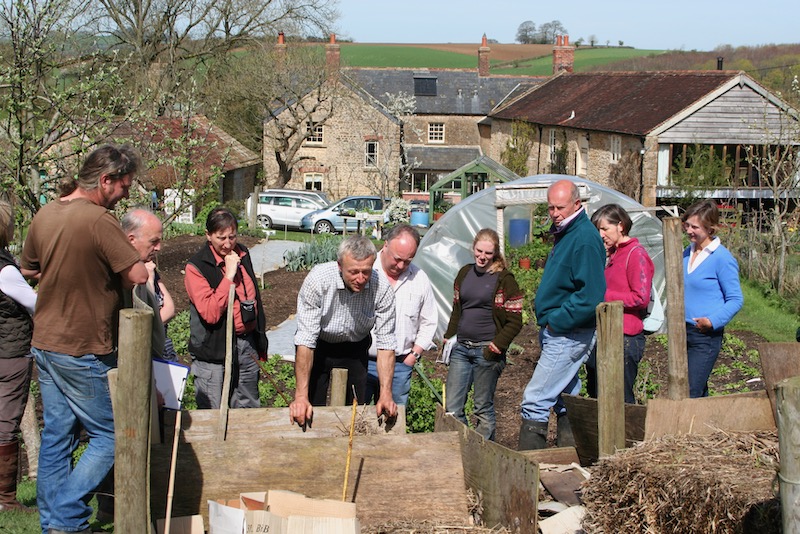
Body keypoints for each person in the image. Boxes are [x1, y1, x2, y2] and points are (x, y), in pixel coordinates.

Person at [20, 144, 148, 534]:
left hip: (45, 342)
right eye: (123, 186)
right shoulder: (98, 221)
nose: (126, 194)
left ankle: (56, 525)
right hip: (83, 347)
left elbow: (29, 270)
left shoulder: (46, 213)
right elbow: (138, 275)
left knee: (58, 436)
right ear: (105, 180)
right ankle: (65, 517)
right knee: (111, 435)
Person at [518, 179, 606, 450]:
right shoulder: (568, 232)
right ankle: (572, 458)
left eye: (560, 207)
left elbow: (590, 296)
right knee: (566, 396)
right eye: (551, 207)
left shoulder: (584, 239)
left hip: (568, 332)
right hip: (561, 330)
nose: (554, 213)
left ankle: (527, 468)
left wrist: (557, 321)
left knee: (535, 399)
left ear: (577, 204)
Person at [290, 235, 397, 427]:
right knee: (311, 405)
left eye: (366, 272)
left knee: (356, 410)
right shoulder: (318, 280)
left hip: (356, 349)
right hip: (320, 346)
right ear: (340, 265)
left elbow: (386, 344)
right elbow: (305, 340)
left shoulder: (381, 288)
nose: (361, 278)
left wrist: (386, 394)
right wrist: (300, 396)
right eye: (354, 272)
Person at [442, 228, 523, 441]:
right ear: (473, 248)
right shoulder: (464, 273)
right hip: (461, 348)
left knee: (482, 407)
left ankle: (484, 453)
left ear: (495, 253)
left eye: (488, 253)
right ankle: (463, 448)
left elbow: (515, 321)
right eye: (479, 251)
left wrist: (496, 346)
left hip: (486, 350)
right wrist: (448, 336)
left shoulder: (504, 279)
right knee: (453, 406)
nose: (482, 257)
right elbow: (458, 309)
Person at [185, 207, 268, 409]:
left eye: (232, 237)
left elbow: (253, 296)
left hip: (246, 345)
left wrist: (259, 340)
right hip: (214, 350)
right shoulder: (197, 267)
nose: (228, 244)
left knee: (248, 405)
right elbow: (211, 313)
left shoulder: (242, 253)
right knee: (214, 409)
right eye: (221, 238)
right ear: (208, 235)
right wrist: (229, 275)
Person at [586, 203, 655, 404]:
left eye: (604, 229)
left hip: (625, 338)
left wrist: (603, 295)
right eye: (597, 230)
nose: (600, 235)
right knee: (598, 393)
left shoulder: (636, 254)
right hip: (607, 334)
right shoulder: (613, 255)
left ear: (621, 226)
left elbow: (640, 297)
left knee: (619, 398)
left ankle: (627, 435)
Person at [364, 224, 437, 407]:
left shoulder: (419, 279)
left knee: (394, 421)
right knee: (356, 417)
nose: (401, 266)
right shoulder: (366, 272)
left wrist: (414, 354)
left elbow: (429, 321)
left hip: (399, 365)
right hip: (364, 362)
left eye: (408, 261)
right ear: (386, 245)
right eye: (397, 259)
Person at [682, 200, 743, 398]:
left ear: (710, 228)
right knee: (695, 387)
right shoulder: (686, 253)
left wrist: (712, 321)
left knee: (691, 390)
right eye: (687, 225)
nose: (689, 230)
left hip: (704, 335)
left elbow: (735, 299)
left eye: (695, 227)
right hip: (682, 332)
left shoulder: (721, 258)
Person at [0, 200, 37, 512]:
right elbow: (35, 304)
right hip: (9, 354)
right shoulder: (5, 269)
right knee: (6, 423)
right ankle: (5, 500)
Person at [121, 208, 177, 360]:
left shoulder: (149, 266)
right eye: (153, 241)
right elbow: (144, 319)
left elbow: (170, 308)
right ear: (131, 239)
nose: (158, 247)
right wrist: (148, 281)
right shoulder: (123, 275)